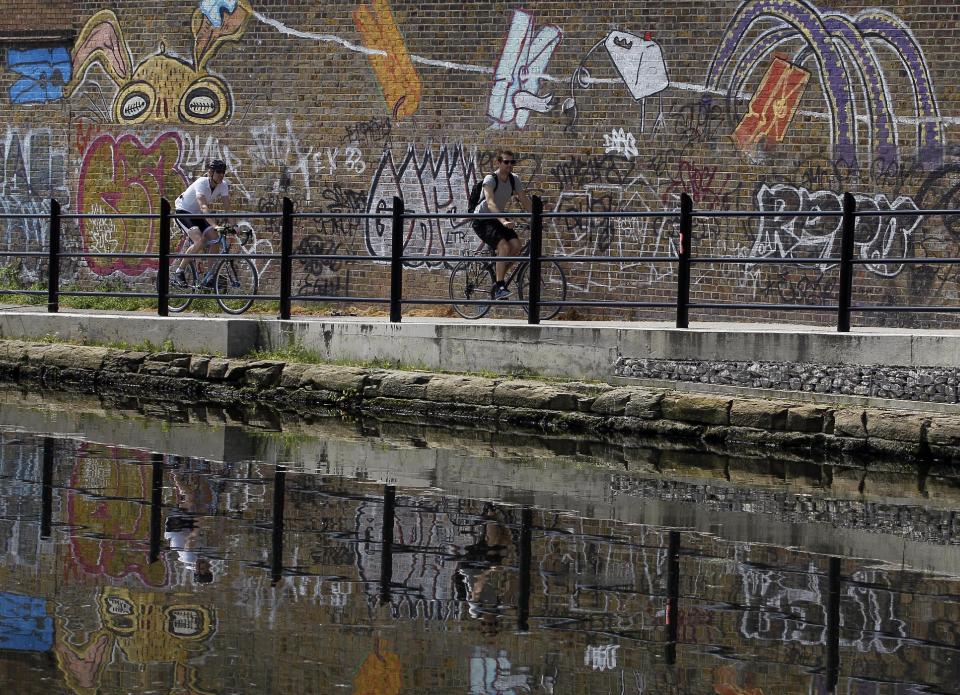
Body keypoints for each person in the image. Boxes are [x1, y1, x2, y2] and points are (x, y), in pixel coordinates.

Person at [472, 150, 533, 300]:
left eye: (512, 162)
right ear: (499, 163)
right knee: (504, 247)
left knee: (517, 246)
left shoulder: (514, 179)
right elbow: (490, 203)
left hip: (499, 217)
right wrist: (504, 221)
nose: (509, 165)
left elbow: (524, 199)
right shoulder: (490, 179)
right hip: (483, 219)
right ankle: (500, 287)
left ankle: (499, 278)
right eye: (506, 162)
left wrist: (538, 217)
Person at [173, 159, 231, 286]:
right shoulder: (201, 183)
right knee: (199, 240)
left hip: (197, 214)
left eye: (223, 172)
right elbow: (203, 207)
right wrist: (215, 225)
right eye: (218, 172)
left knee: (215, 238)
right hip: (184, 211)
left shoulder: (223, 185)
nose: (221, 175)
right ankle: (179, 271)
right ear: (211, 172)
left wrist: (235, 226)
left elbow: (227, 208)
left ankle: (209, 276)